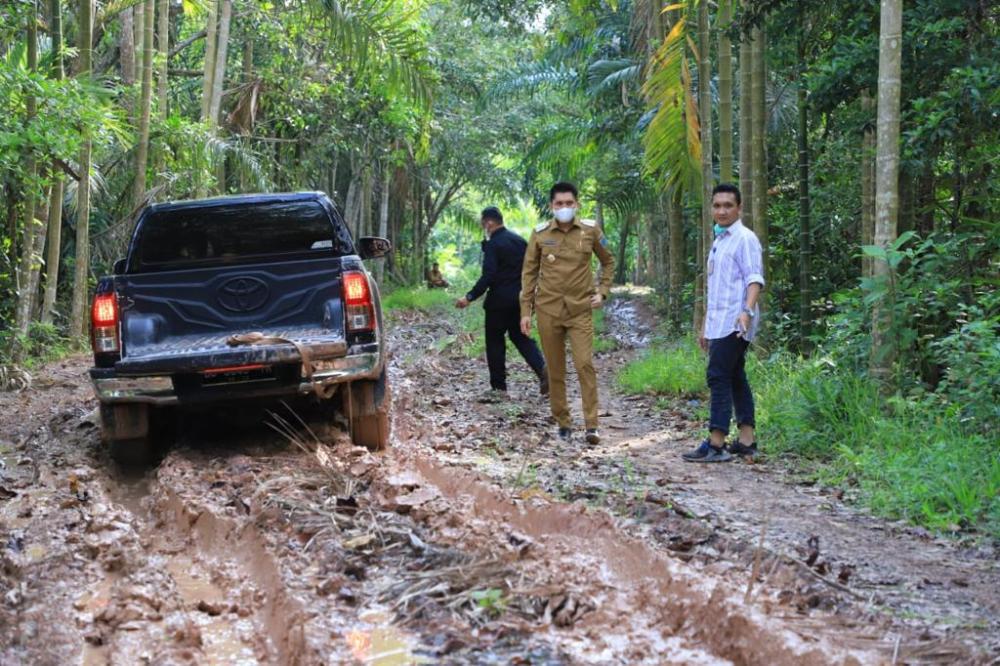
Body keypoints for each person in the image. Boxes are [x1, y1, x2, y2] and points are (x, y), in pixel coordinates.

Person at [520, 182, 614, 444]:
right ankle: (563, 422)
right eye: (559, 204)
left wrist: (602, 291)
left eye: (568, 203)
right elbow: (528, 275)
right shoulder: (539, 234)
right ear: (552, 206)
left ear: (577, 204)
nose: (564, 208)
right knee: (555, 369)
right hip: (548, 310)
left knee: (584, 364)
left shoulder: (590, 230)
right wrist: (525, 311)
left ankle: (592, 425)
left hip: (580, 309)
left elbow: (608, 260)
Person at [683, 183, 765, 463]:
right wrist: (706, 324)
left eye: (728, 205)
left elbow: (755, 279)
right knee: (735, 376)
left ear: (739, 208)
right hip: (719, 321)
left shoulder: (745, 238)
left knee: (718, 376)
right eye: (717, 205)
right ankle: (746, 440)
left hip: (736, 321)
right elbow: (716, 288)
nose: (722, 210)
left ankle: (716, 443)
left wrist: (747, 311)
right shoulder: (720, 241)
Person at [456, 207, 548, 396]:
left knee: (495, 342)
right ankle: (544, 371)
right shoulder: (519, 241)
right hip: (521, 300)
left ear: (489, 222)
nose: (484, 228)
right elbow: (534, 269)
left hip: (499, 302)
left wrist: (470, 296)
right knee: (521, 337)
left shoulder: (494, 244)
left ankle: (499, 388)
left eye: (484, 224)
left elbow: (488, 275)